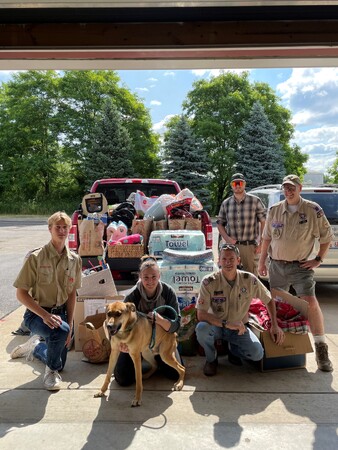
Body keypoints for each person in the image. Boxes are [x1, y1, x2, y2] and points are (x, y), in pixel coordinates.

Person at [258, 174, 334, 372]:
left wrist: (318, 259)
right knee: (276, 306)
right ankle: (279, 347)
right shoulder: (275, 210)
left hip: (301, 267)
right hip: (277, 266)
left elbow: (327, 237)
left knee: (310, 303)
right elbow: (266, 238)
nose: (288, 191)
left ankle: (321, 348)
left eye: (292, 187)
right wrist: (261, 262)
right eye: (286, 188)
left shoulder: (312, 209)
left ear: (300, 188)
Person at [10, 211, 82, 390]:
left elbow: (72, 293)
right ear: (50, 229)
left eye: (65, 227)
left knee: (60, 360)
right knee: (58, 336)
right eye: (57, 227)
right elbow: (21, 294)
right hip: (36, 315)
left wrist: (71, 324)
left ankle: (34, 347)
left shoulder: (75, 259)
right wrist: (45, 316)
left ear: (69, 230)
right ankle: (50, 372)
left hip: (62, 315)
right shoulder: (35, 258)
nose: (61, 231)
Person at [196, 243, 284, 376]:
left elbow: (269, 299)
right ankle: (211, 359)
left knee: (257, 354)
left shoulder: (249, 280)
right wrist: (226, 324)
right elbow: (201, 314)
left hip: (239, 328)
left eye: (231, 259)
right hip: (217, 326)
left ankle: (233, 350)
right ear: (219, 260)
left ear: (238, 260)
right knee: (202, 328)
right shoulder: (209, 281)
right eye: (224, 259)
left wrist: (275, 326)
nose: (228, 262)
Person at [114, 255, 182, 385]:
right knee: (123, 379)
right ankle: (146, 362)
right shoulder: (132, 296)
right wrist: (121, 344)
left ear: (159, 276)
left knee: (174, 373)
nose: (150, 281)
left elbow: (176, 325)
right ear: (140, 277)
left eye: (153, 277)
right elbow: (119, 324)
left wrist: (161, 320)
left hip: (161, 341)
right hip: (137, 343)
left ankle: (155, 362)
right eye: (146, 277)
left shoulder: (168, 292)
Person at [217, 173, 266, 275]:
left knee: (251, 277)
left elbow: (264, 221)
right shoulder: (226, 203)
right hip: (231, 246)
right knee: (230, 275)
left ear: (244, 184)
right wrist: (227, 239)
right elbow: (220, 224)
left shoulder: (255, 201)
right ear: (231, 185)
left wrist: (261, 243)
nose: (238, 186)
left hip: (249, 246)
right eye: (235, 183)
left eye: (240, 183)